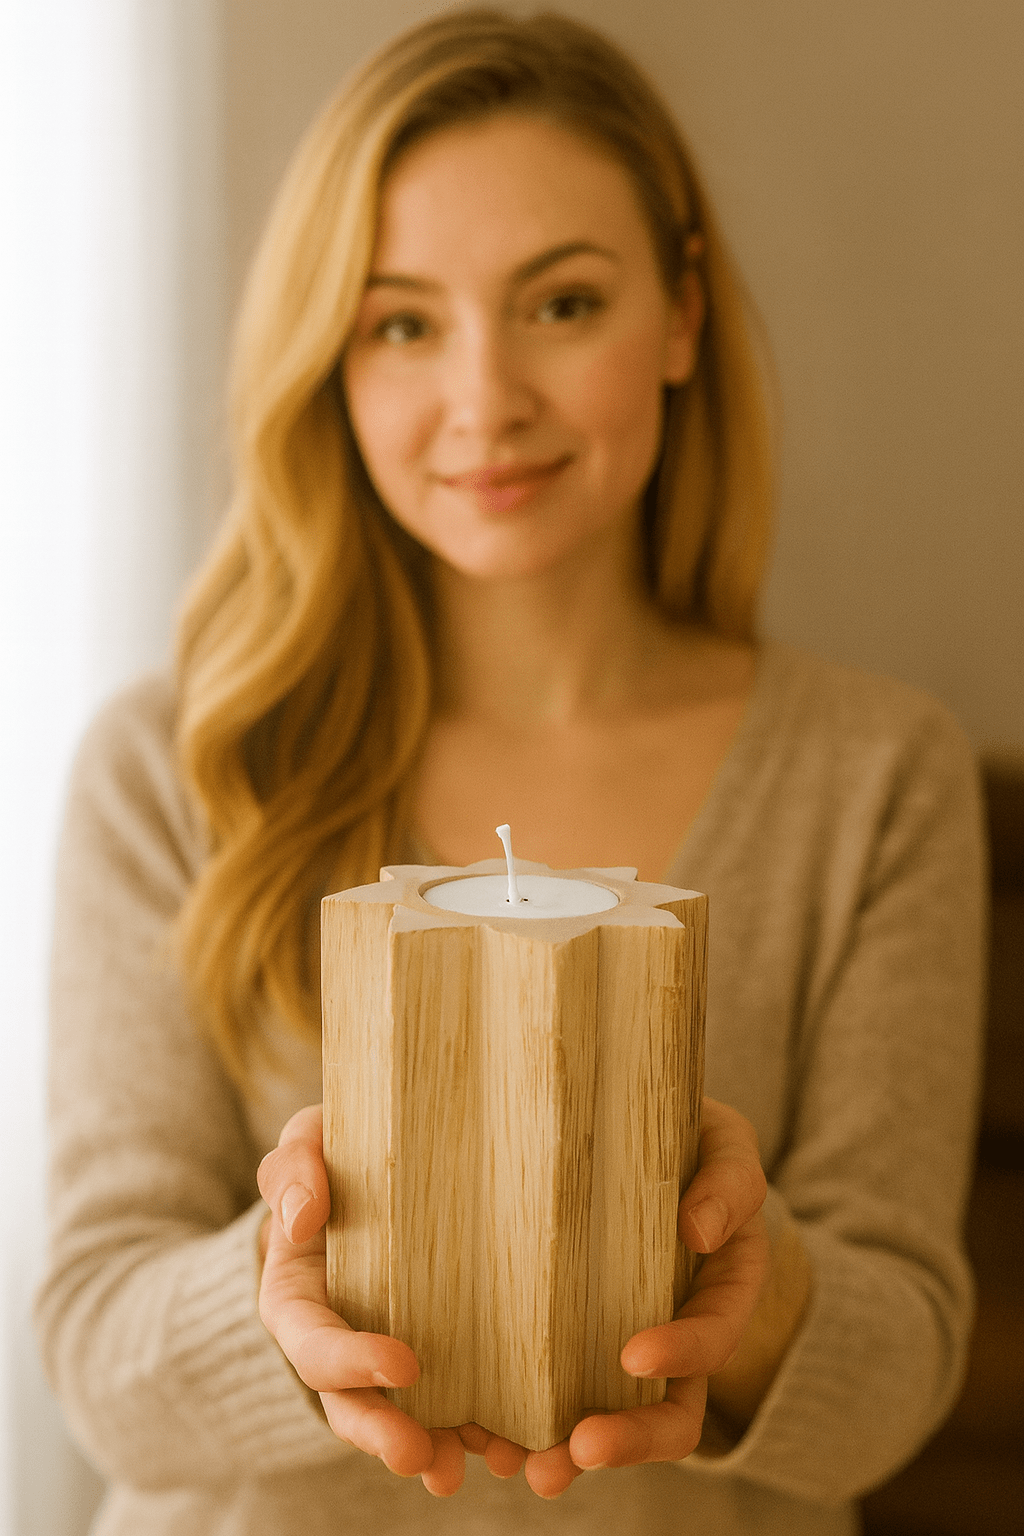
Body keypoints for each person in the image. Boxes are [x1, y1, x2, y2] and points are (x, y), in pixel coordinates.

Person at [35, 9, 986, 1535]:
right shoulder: (174, 770)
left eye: (562, 303)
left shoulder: (872, 779)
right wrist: (292, 1278)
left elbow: (899, 1375)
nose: (486, 400)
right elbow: (96, 1351)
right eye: (403, 323)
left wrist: (750, 1276)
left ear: (680, 317)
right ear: (330, 360)